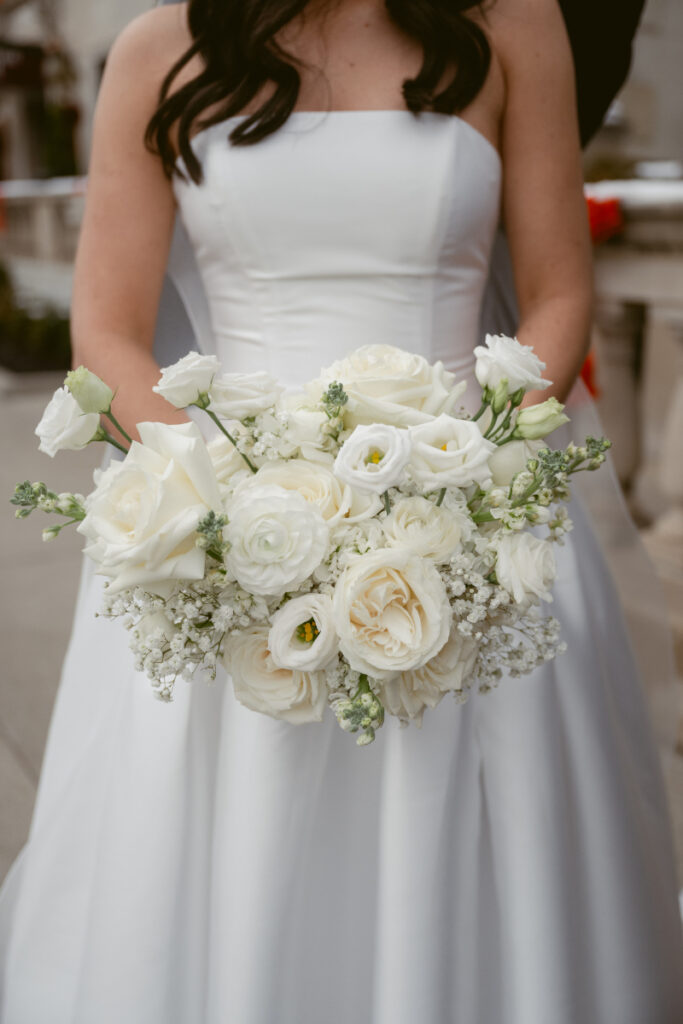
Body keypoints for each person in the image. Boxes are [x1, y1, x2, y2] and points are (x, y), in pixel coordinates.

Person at [1, 2, 682, 1023]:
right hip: (225, 531)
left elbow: (552, 293)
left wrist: (466, 470)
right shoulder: (155, 51)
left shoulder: (511, 27)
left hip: (470, 510)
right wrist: (226, 496)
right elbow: (104, 329)